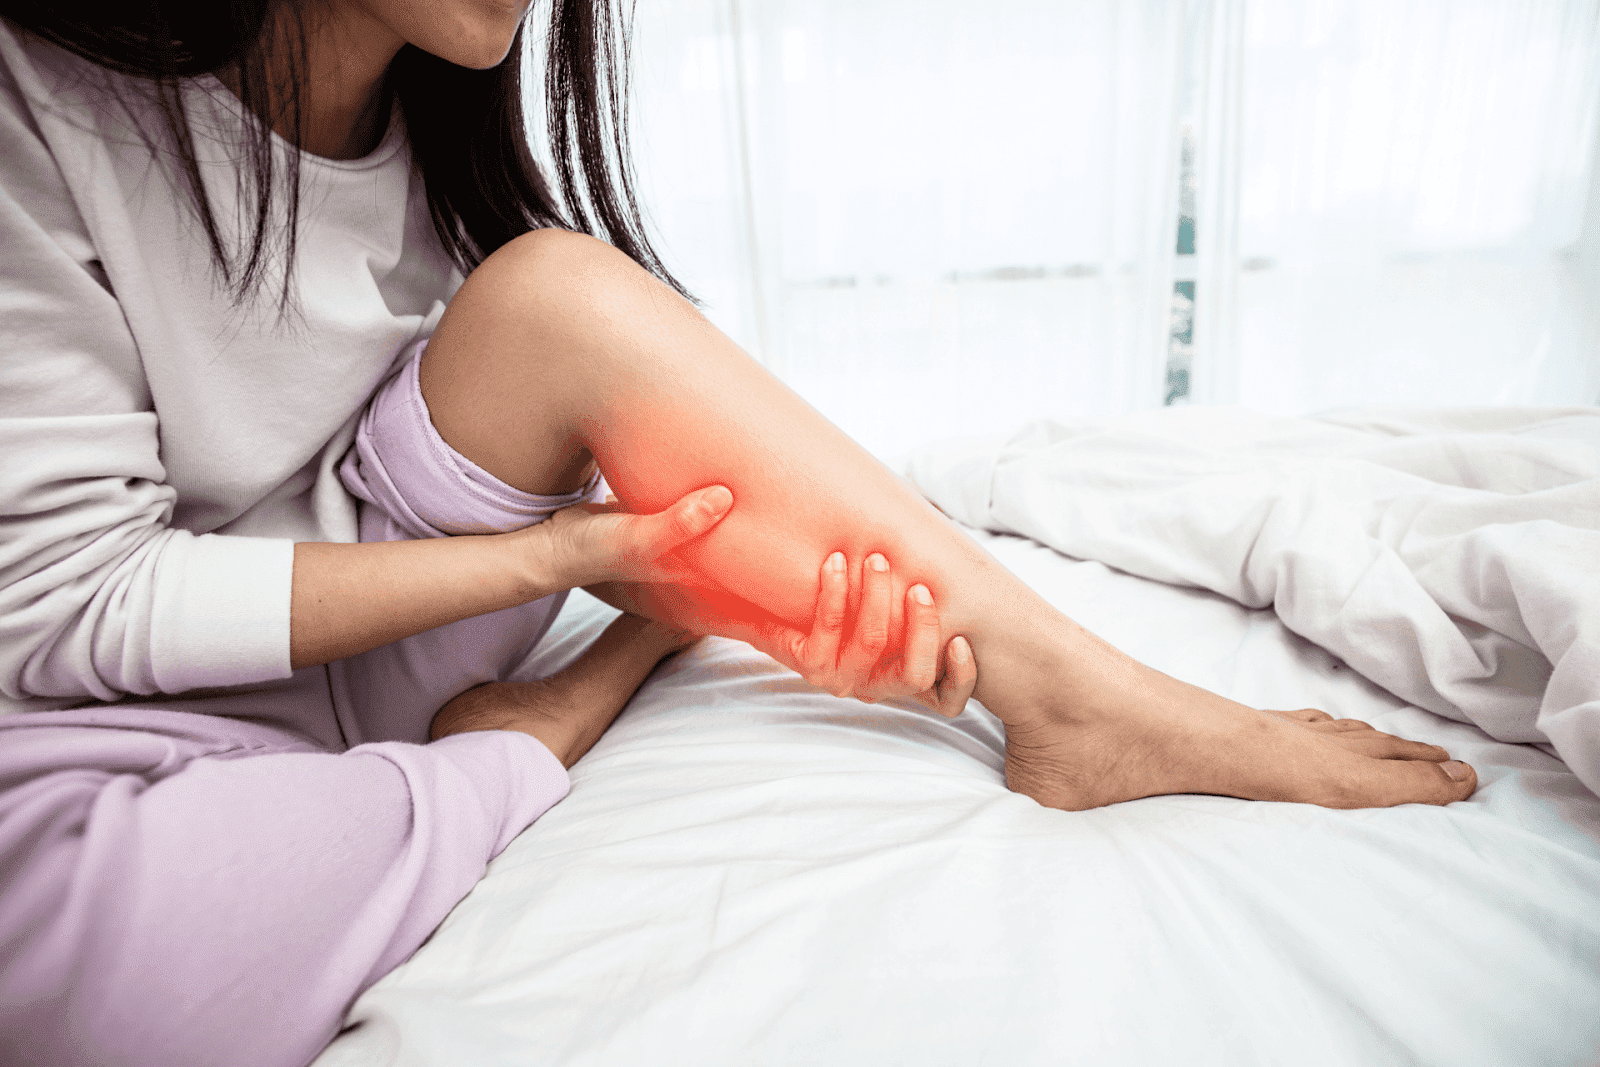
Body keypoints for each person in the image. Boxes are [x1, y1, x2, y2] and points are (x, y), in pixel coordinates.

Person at [0, 2, 1477, 1064]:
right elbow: (68, 610)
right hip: (104, 720)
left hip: (369, 640)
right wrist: (568, 573)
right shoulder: (40, 96)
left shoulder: (436, 125)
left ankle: (1080, 697)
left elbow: (460, 450)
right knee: (95, 983)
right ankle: (559, 712)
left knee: (557, 293)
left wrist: (693, 576)